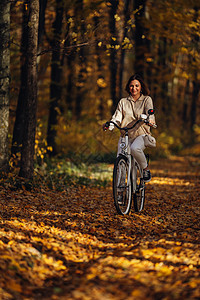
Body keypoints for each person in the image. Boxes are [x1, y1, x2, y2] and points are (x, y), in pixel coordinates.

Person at [103, 74, 156, 182]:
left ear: (141, 87)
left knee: (134, 148)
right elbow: (117, 117)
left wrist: (150, 120)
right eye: (131, 86)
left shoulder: (146, 99)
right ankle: (120, 191)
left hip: (141, 134)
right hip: (125, 135)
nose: (134, 88)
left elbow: (150, 112)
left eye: (137, 85)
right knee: (120, 162)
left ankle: (145, 169)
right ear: (128, 87)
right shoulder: (123, 102)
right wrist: (110, 125)